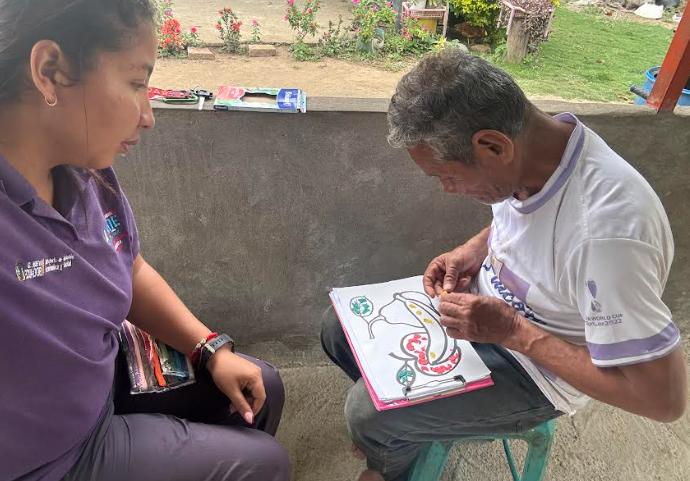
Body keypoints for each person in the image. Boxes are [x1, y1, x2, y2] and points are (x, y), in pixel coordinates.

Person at [321, 48, 687, 481]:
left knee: (367, 414)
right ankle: (404, 430)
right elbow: (532, 218)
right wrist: (474, 249)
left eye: (448, 176)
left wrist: (513, 331)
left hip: (538, 372)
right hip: (489, 316)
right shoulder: (540, 149)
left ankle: (390, 457)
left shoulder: (608, 239)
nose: (446, 190)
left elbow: (663, 401)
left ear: (493, 145)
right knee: (336, 328)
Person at [0, 1, 290, 480]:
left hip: (100, 379)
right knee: (263, 465)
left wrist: (209, 348)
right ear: (49, 70)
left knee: (262, 389)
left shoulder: (86, 172)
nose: (148, 115)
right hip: (55, 456)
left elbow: (128, 266)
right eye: (136, 83)